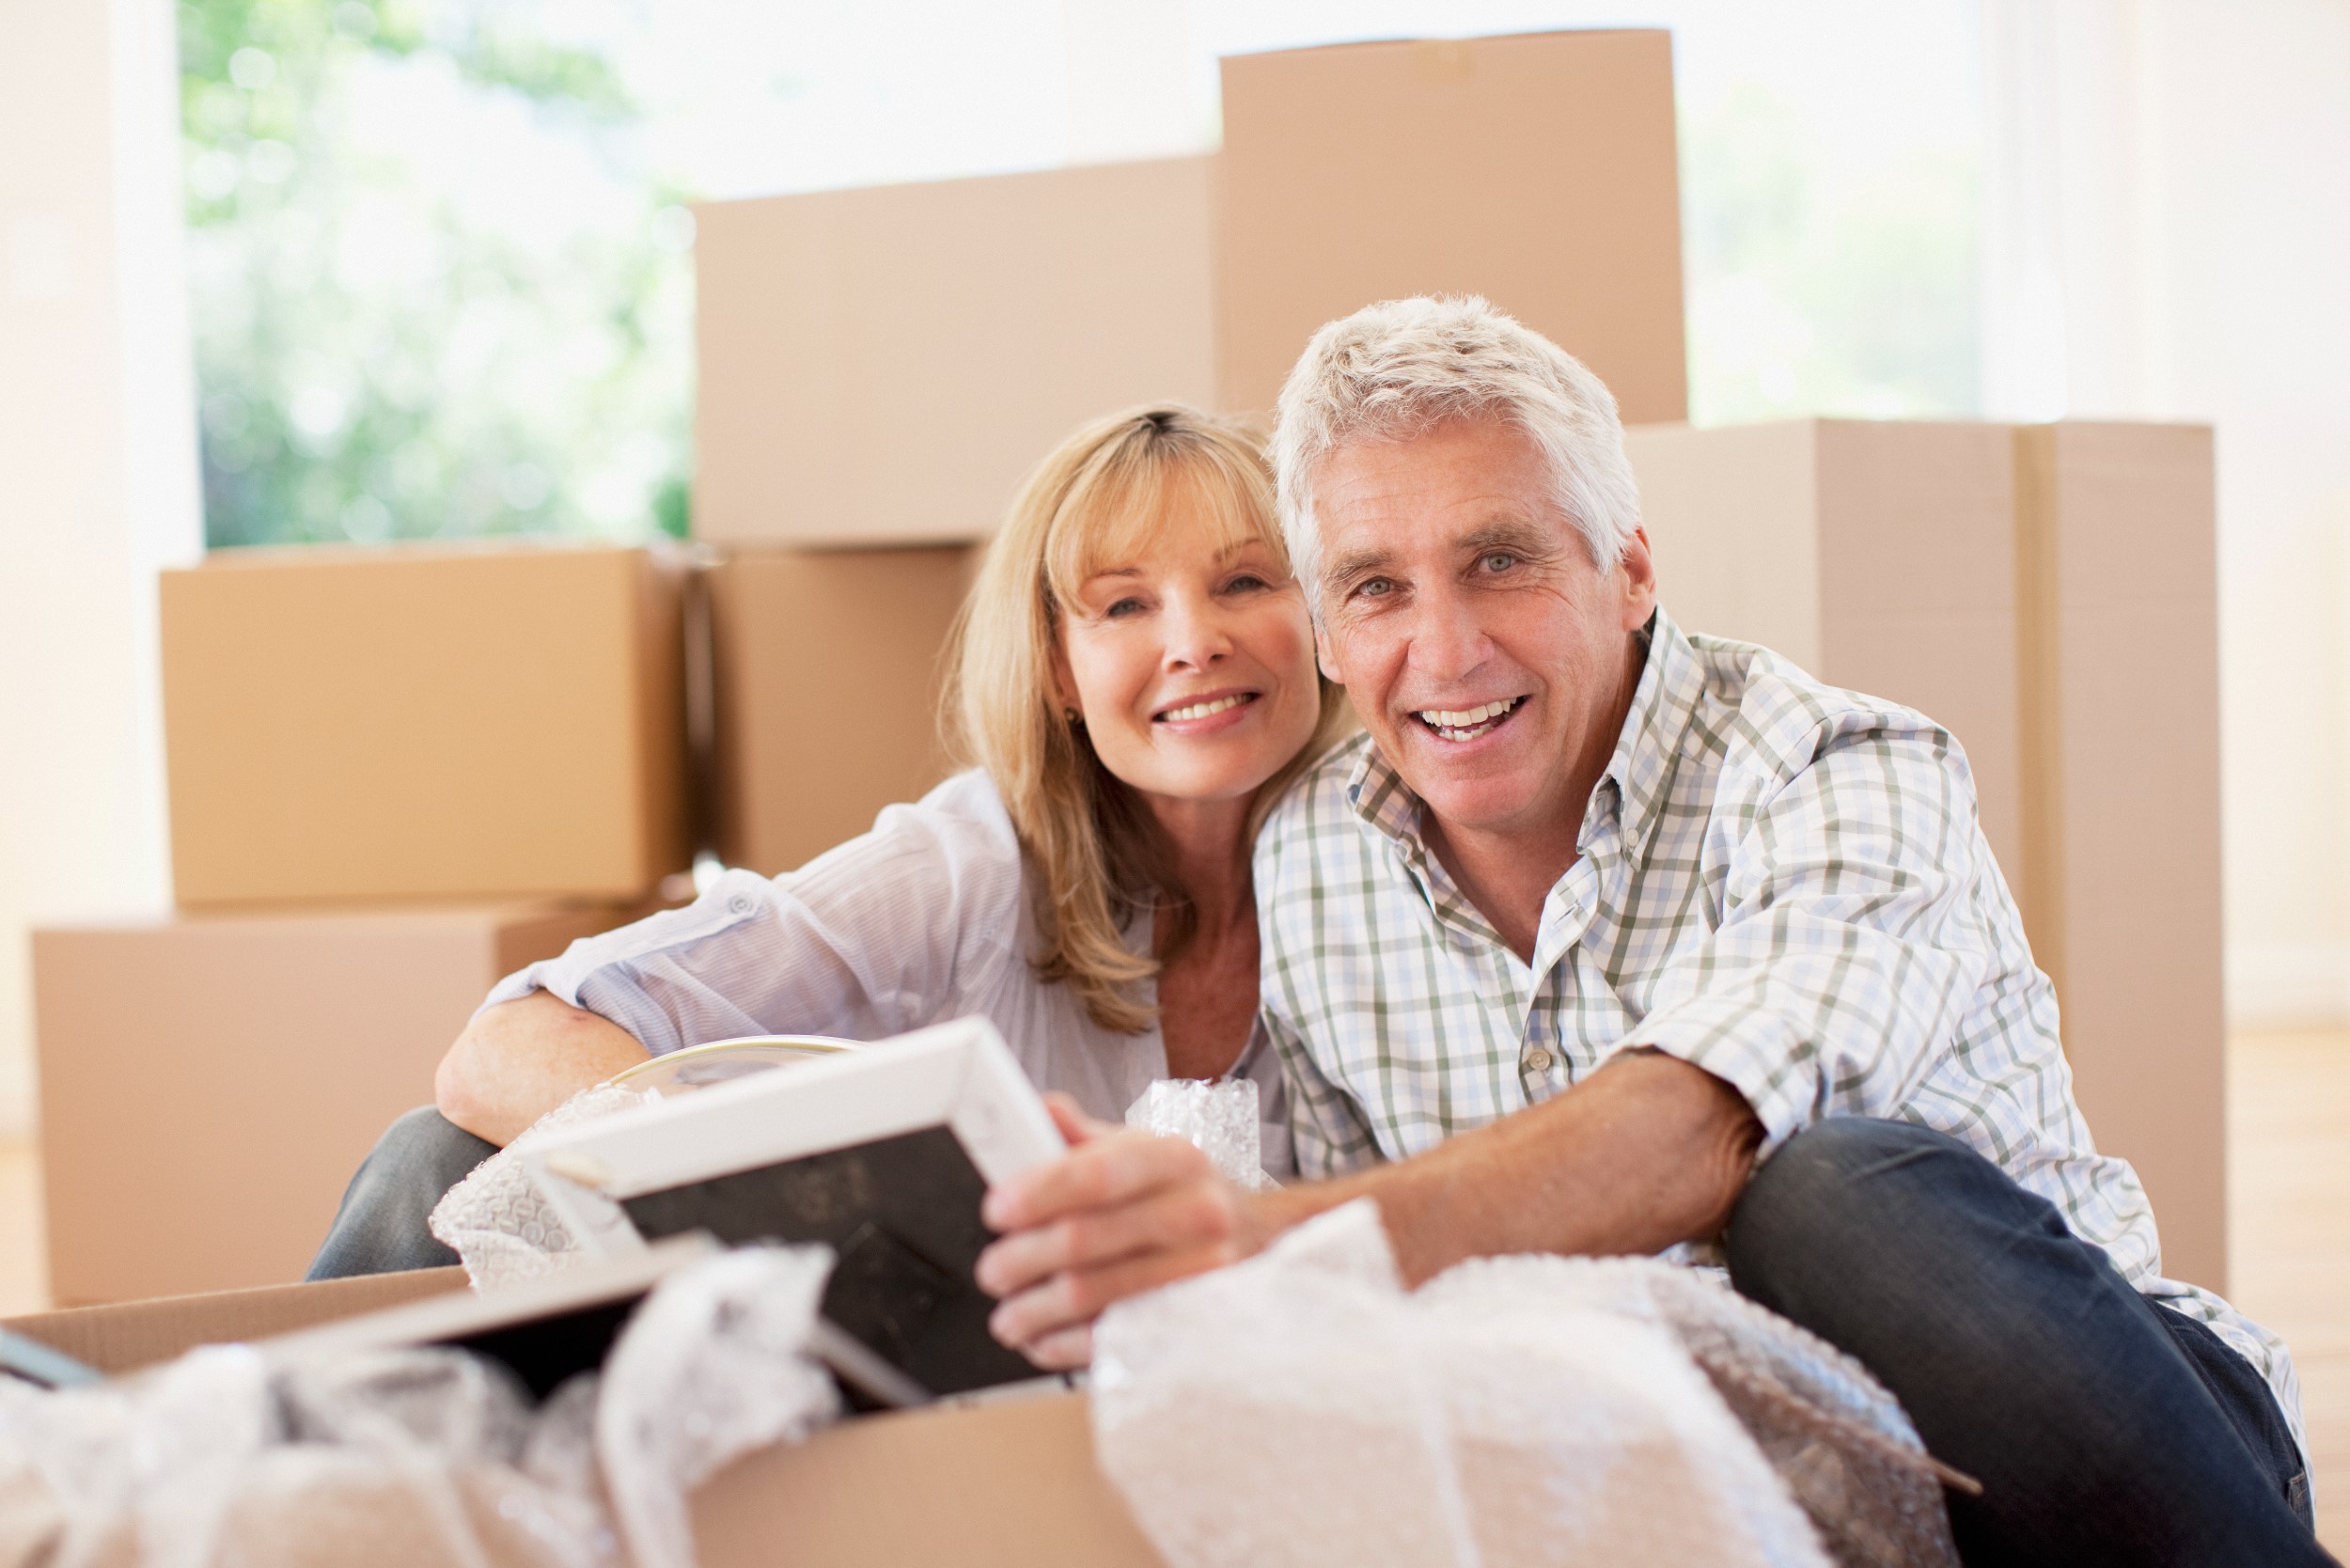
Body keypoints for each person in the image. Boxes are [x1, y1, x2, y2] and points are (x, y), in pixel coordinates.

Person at [975, 297, 2329, 1567]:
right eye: (1377, 589)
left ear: (1626, 568)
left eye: (1498, 561)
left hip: (2105, 1468)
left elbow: (1701, 1127)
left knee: (1828, 1196)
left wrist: (1267, 1244)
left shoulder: (1840, 768)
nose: (1443, 654)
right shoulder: (1317, 861)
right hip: (1738, 1511)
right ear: (1329, 628)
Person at [306, 403, 1350, 1281]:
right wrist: (830, 1205)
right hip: (942, 1361)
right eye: (1125, 604)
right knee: (435, 1160)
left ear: (1325, 618)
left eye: (1248, 583)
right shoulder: (971, 864)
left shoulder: (1399, 875)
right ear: (1058, 674)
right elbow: (507, 1051)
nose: (1193, 641)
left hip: (1229, 1406)